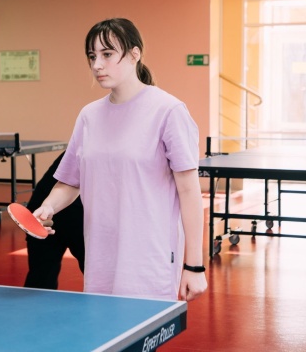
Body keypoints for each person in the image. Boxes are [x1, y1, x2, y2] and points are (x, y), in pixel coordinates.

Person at [33, 18, 207, 302]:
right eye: (92, 56)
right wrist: (48, 207)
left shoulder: (168, 111)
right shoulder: (89, 115)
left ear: (135, 54)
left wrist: (194, 265)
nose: (97, 65)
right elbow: (70, 182)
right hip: (99, 256)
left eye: (107, 54)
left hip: (149, 259)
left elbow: (189, 192)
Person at [23, 152, 84, 290]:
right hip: (53, 213)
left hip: (41, 209)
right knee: (102, 282)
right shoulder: (83, 143)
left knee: (40, 280)